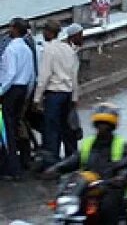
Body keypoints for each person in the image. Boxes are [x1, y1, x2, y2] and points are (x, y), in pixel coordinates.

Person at [46, 103, 127, 225]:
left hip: (110, 186)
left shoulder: (121, 145)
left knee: (107, 208)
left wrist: (120, 177)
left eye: (105, 125)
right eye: (100, 125)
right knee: (62, 203)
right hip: (87, 186)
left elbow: (124, 166)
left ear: (111, 127)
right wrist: (55, 168)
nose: (102, 128)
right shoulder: (88, 143)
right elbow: (74, 160)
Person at [34, 23, 82, 162]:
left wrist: (37, 98)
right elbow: (74, 75)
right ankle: (71, 159)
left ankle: (52, 162)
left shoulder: (48, 50)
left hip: (54, 94)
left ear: (48, 32)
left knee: (51, 130)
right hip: (67, 94)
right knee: (67, 128)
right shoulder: (68, 49)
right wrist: (75, 97)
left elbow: (45, 75)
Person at [0, 18, 36, 178]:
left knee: (7, 132)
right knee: (16, 127)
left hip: (11, 90)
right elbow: (31, 75)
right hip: (22, 90)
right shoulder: (27, 49)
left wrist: (1, 91)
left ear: (14, 29)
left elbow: (10, 73)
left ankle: (11, 168)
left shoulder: (10, 49)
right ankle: (21, 164)